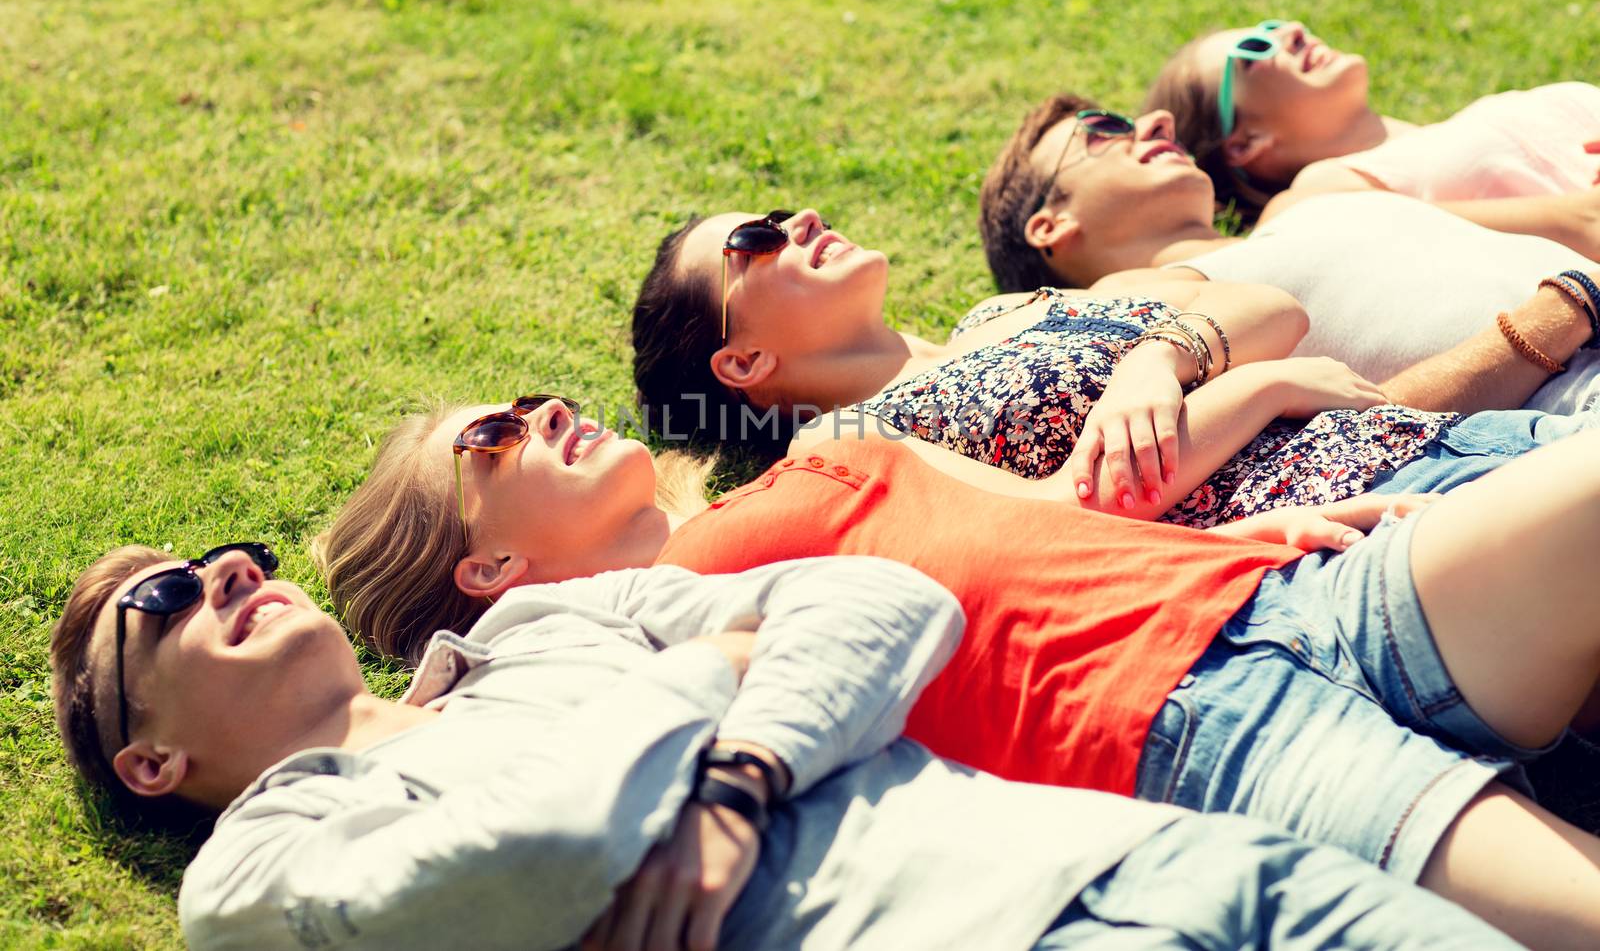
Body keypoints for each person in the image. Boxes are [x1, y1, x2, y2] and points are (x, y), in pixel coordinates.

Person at [316, 392, 1600, 947]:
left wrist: (1219, 535)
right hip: (1182, 733)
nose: (541, 413)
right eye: (490, 441)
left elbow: (1042, 509)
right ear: (479, 568)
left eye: (527, 402)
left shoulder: (810, 457)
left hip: (1286, 595)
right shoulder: (629, 646)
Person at [48, 549, 1504, 951]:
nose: (226, 575)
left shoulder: (549, 620)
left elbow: (886, 597)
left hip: (1160, 853)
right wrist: (717, 666)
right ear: (149, 758)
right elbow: (519, 851)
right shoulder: (252, 874)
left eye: (229, 556)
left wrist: (738, 781)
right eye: (166, 601)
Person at [630, 204, 1586, 523]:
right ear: (744, 360)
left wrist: (1157, 364)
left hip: (1431, 437)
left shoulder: (1004, 312)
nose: (795, 221)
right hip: (1360, 509)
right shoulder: (855, 441)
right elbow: (1083, 512)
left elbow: (1265, 306)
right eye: (753, 241)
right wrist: (1253, 385)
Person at [980, 95, 1600, 415]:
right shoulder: (1122, 308)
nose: (1156, 122)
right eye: (1104, 130)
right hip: (1566, 402)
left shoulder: (1301, 206)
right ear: (1050, 226)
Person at [1139, 18, 1600, 248]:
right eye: (1255, 49)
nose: (1293, 31)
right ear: (1245, 142)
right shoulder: (1324, 192)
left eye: (1275, 27)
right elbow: (1582, 224)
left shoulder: (1461, 125)